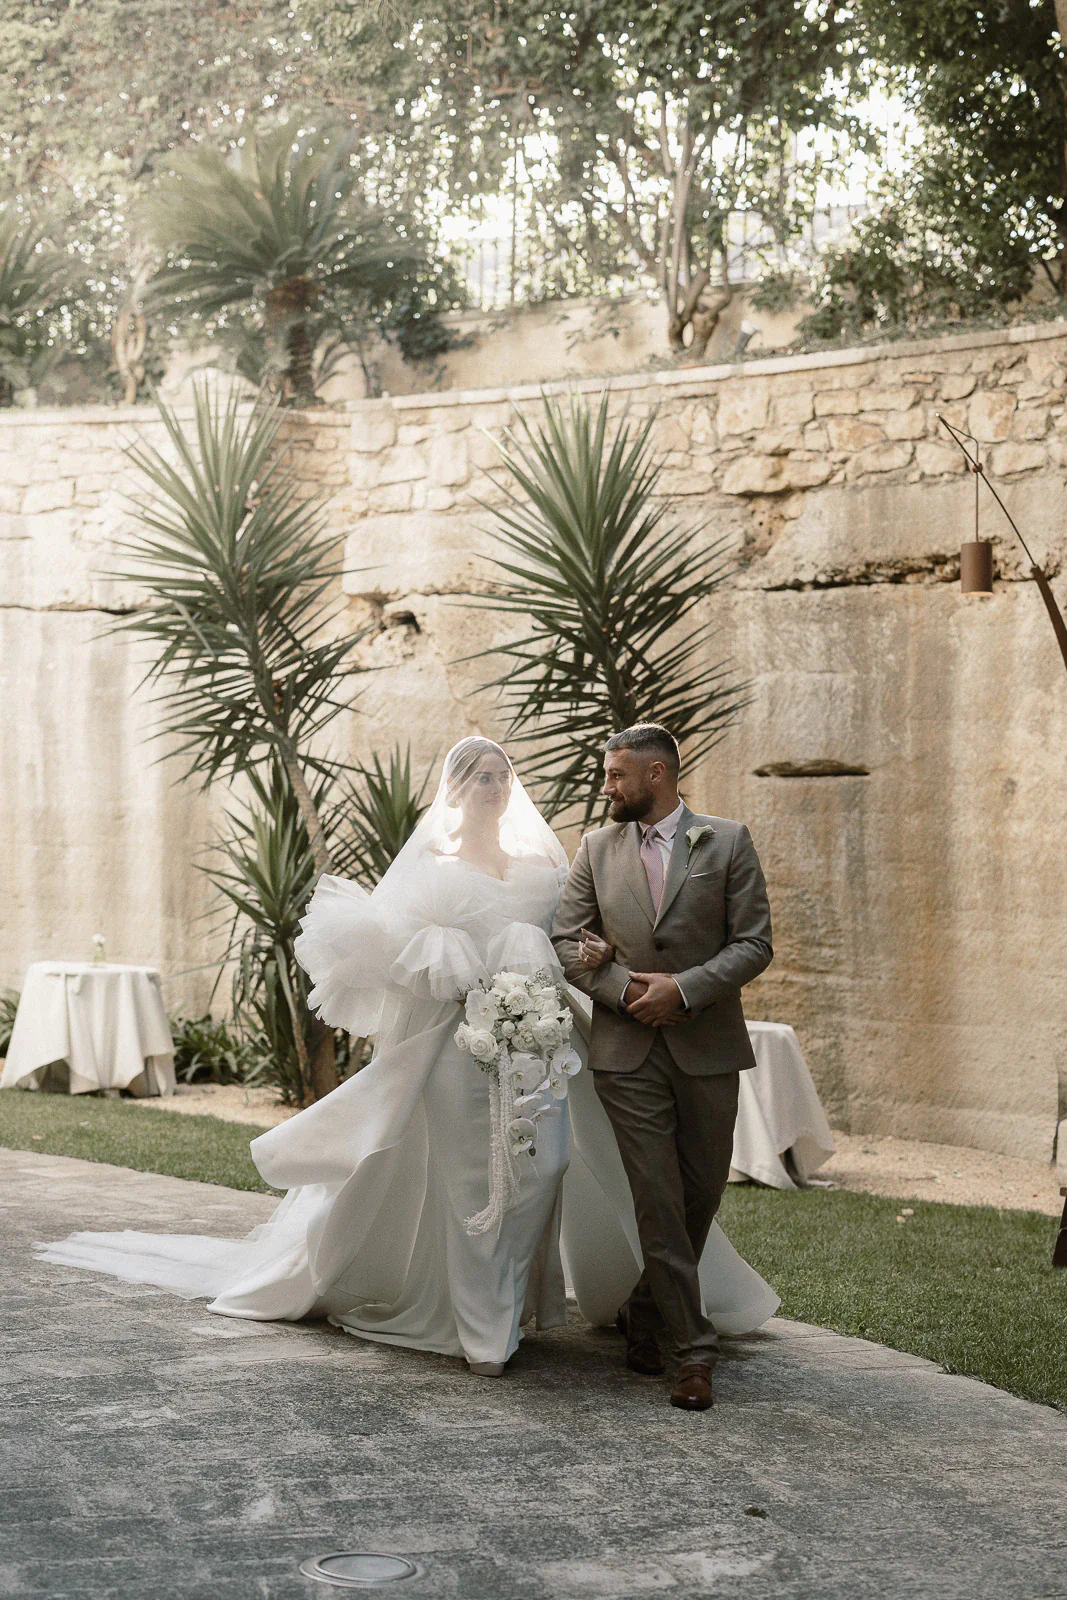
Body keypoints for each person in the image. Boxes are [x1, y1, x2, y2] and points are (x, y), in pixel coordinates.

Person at [37, 737, 778, 1382]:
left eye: (498, 776)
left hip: (539, 1041)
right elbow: (392, 944)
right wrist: (451, 975)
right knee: (469, 1178)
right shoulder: (430, 859)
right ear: (454, 790)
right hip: (460, 1043)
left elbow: (573, 932)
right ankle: (480, 1325)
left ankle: (519, 1304)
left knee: (545, 1165)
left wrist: (595, 957)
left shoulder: (545, 860)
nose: (490, 786)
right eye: (476, 776)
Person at [553, 723, 773, 1411]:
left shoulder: (727, 840)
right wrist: (624, 990)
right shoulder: (594, 847)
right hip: (625, 1053)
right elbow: (565, 938)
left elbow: (754, 942)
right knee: (656, 1195)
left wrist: (682, 989)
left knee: (699, 1193)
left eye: (616, 776)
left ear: (656, 775)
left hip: (707, 1046)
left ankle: (643, 1312)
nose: (606, 788)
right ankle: (694, 1352)